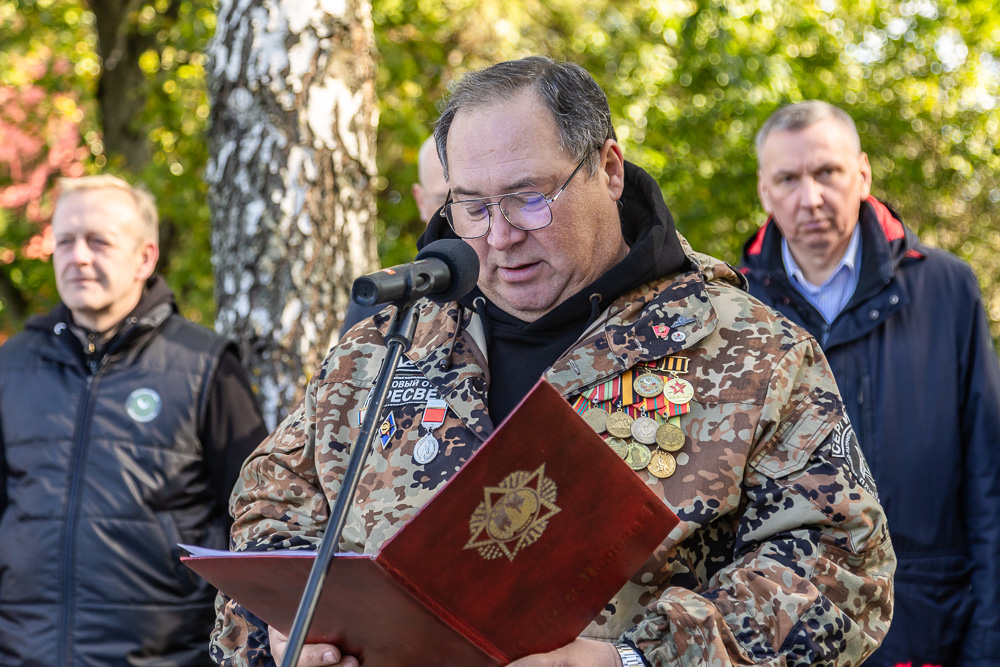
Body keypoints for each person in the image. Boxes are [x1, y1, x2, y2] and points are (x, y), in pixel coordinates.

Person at [211, 58, 894, 667]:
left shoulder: (750, 349)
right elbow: (271, 512)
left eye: (529, 196)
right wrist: (283, 629)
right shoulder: (386, 345)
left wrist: (633, 658)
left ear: (609, 168)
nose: (500, 236)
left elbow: (841, 569)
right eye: (471, 207)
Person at [740, 100, 1000, 667]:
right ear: (764, 191)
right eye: (787, 179)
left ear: (862, 174)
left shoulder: (946, 289)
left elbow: (990, 479)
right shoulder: (737, 310)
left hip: (925, 623)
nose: (809, 198)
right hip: (782, 634)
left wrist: (989, 642)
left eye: (827, 172)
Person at [0, 175, 269, 665]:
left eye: (98, 241)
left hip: (167, 655)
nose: (78, 256)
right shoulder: (11, 365)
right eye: (65, 241)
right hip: (23, 653)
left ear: (144, 258)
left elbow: (259, 518)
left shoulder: (204, 363)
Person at [340, 135, 451, 333]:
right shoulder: (377, 303)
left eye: (472, 203)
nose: (458, 217)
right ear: (420, 200)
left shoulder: (515, 291)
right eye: (445, 202)